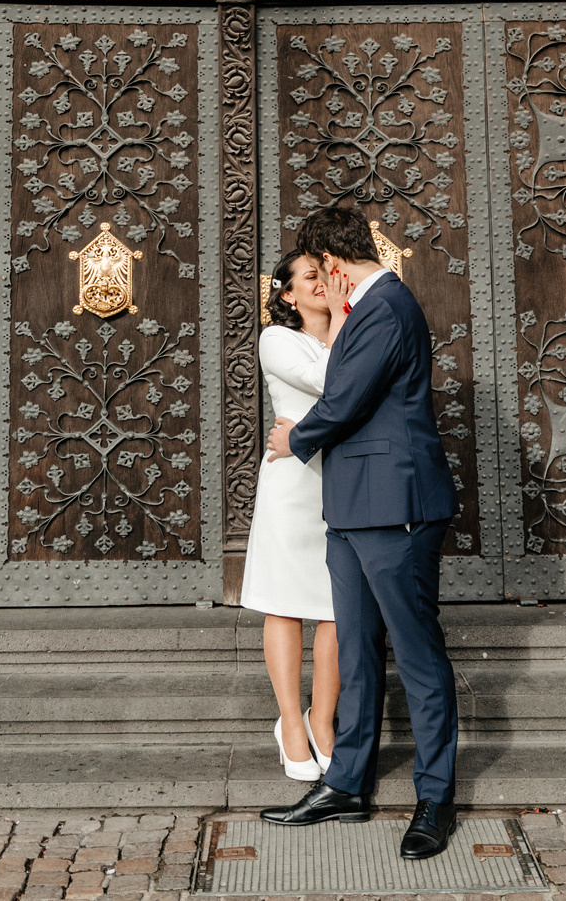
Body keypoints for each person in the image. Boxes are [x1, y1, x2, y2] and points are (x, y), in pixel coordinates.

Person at [260, 203, 460, 861]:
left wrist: (296, 439)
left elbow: (347, 398)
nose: (322, 284)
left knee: (417, 655)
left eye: (320, 271)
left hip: (394, 504)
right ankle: (346, 782)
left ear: (333, 264)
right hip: (349, 507)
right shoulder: (362, 306)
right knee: (356, 650)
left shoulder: (386, 306)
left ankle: (433, 797)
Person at [240, 249, 349, 779]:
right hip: (292, 486)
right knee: (283, 604)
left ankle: (321, 719)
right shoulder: (277, 339)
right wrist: (344, 325)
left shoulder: (349, 332)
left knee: (336, 608)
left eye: (326, 273)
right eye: (310, 277)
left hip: (343, 483)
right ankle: (289, 722)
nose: (323, 282)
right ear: (287, 294)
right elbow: (331, 384)